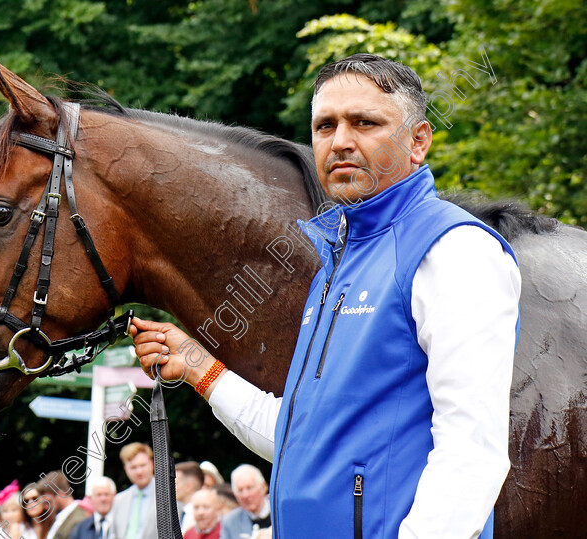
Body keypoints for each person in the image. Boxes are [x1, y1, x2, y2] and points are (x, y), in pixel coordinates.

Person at [130, 53, 520, 538]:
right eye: (325, 125)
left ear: (418, 141)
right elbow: (302, 441)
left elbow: (472, 451)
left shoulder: (455, 249)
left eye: (364, 123)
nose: (340, 142)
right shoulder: (334, 265)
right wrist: (200, 370)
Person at [109, 443, 158, 539]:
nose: (139, 472)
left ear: (152, 464)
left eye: (143, 465)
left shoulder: (168, 495)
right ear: (126, 469)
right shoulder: (119, 500)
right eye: (133, 467)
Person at [32, 472, 90, 539]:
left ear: (61, 494)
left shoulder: (79, 520)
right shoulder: (59, 517)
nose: (46, 507)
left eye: (49, 502)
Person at [218, 466, 269, 539]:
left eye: (250, 488)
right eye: (240, 490)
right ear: (235, 494)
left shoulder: (280, 512)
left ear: (263, 487)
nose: (245, 495)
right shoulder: (230, 521)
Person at [174, 462, 203, 533]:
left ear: (189, 486)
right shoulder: (186, 512)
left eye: (175, 484)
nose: (171, 488)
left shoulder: (197, 515)